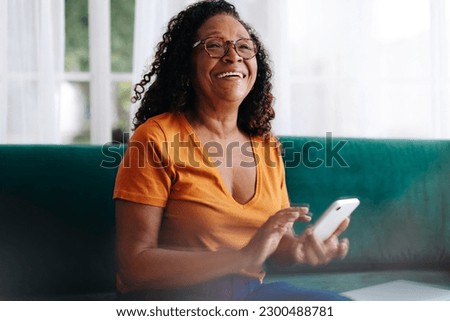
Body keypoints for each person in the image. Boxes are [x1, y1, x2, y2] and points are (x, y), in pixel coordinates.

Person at [113, 0, 350, 301]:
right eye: (214, 45)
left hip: (247, 295)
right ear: (186, 62)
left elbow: (277, 247)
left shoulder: (265, 145)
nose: (233, 56)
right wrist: (241, 256)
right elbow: (134, 264)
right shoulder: (156, 137)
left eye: (244, 46)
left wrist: (301, 249)